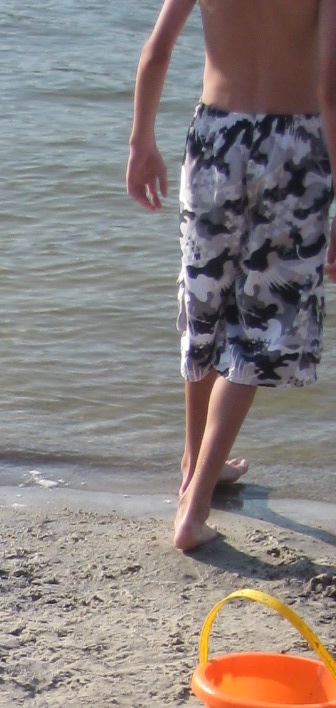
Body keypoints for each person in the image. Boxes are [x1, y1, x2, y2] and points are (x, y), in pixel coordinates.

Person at [127, 0, 336, 550]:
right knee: (261, 330)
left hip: (216, 138)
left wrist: (141, 142)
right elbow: (330, 82)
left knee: (206, 307)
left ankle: (196, 468)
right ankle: (193, 513)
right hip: (294, 147)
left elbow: (157, 51)